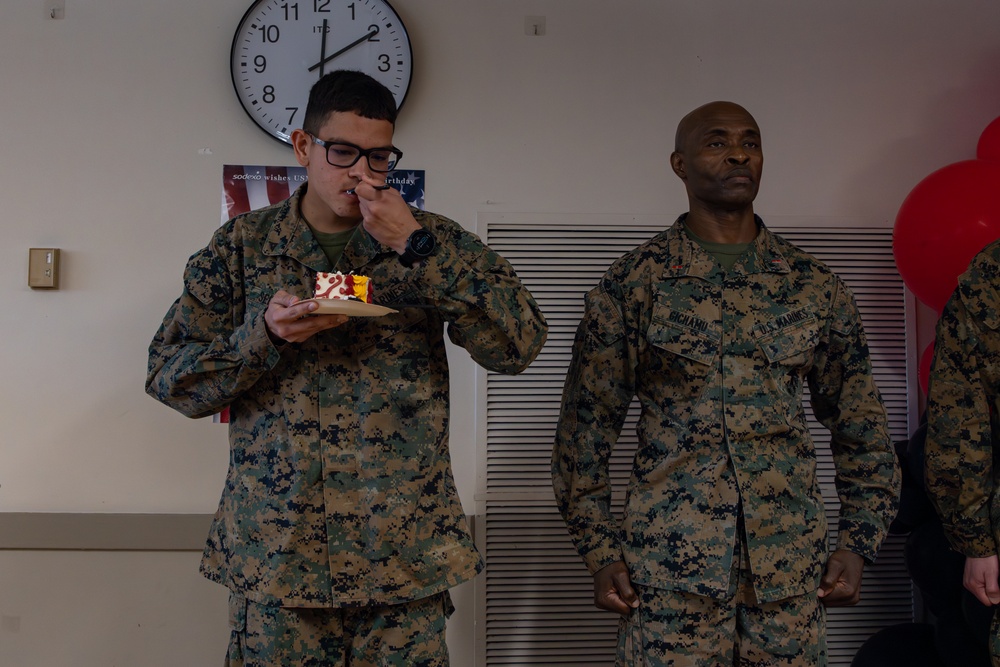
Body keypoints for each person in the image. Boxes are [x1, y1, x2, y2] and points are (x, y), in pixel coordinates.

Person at [146, 70, 547, 666]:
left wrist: (418, 252)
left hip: (402, 562)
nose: (361, 172)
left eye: (379, 156)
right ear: (304, 147)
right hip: (280, 563)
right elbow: (170, 379)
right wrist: (263, 336)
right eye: (342, 152)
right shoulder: (240, 248)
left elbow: (517, 346)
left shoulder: (430, 241)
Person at [551, 101, 900, 665]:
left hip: (789, 577)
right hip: (668, 575)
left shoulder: (813, 286)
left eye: (751, 141)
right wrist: (600, 553)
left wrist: (858, 543)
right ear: (679, 164)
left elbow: (862, 430)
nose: (739, 153)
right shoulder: (633, 284)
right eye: (716, 142)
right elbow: (582, 438)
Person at [925, 238, 1000, 666]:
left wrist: (977, 541)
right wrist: (977, 540)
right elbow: (959, 417)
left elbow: (960, 419)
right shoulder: (990, 279)